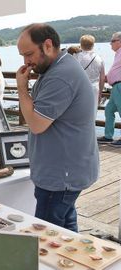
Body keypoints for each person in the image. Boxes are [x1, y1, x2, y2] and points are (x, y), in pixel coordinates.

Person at [16, 23, 99, 232]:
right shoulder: (59, 67)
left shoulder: (60, 76)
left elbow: (35, 124)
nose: (26, 62)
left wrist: (21, 88)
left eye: (29, 54)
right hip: (64, 172)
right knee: (67, 233)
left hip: (61, 177)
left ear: (48, 45)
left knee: (46, 239)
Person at [97, 32, 121, 146]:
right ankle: (108, 136)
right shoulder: (118, 53)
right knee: (109, 110)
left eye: (112, 41)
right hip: (116, 86)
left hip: (119, 86)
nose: (110, 44)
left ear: (119, 41)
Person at [73, 35, 105, 112]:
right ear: (93, 45)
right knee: (92, 113)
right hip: (94, 89)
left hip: (78, 88)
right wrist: (100, 93)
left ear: (80, 44)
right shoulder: (99, 58)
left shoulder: (75, 56)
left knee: (77, 112)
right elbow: (102, 78)